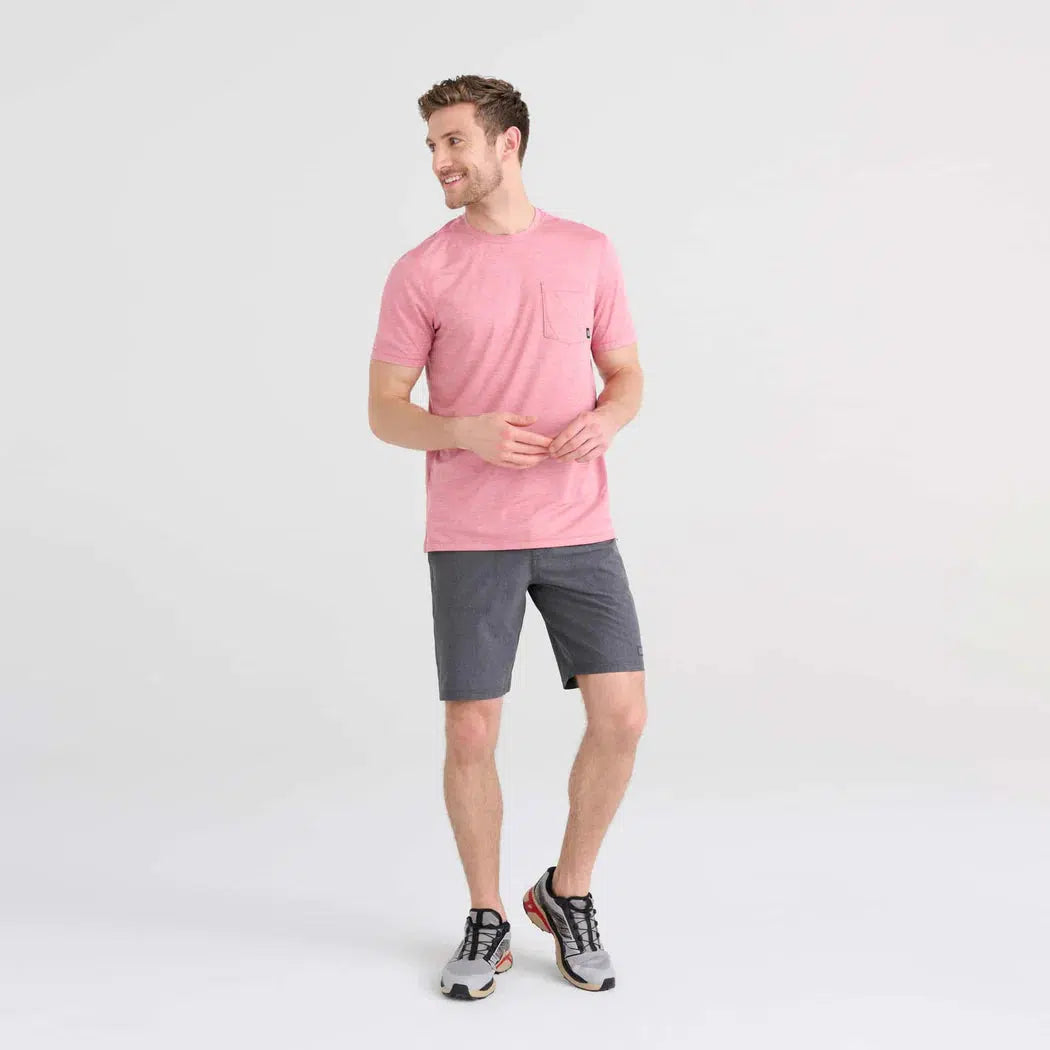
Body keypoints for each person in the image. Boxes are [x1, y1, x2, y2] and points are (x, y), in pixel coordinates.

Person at [368, 75, 647, 1001]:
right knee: (471, 730)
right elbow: (384, 410)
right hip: (471, 533)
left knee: (623, 716)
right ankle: (486, 915)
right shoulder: (422, 271)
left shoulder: (588, 250)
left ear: (507, 143)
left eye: (454, 142)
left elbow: (626, 376)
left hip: (579, 527)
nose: (440, 162)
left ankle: (567, 892)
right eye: (432, 147)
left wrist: (608, 419)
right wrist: (463, 431)